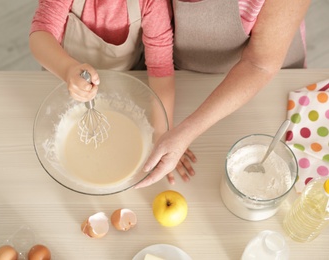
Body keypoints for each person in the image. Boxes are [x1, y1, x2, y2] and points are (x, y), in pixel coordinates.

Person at [135, 0, 311, 188]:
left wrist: (186, 132)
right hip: (182, 73)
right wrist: (166, 130)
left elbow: (259, 65)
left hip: (262, 80)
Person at [29, 0, 196, 185]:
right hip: (61, 76)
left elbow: (160, 68)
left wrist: (162, 135)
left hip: (126, 82)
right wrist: (67, 70)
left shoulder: (151, 3)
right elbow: (41, 36)